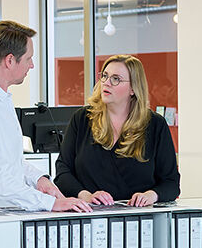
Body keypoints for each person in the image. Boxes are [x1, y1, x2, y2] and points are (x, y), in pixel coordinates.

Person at [0, 20, 90, 213]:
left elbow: (8, 161)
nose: (32, 65)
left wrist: (39, 179)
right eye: (29, 58)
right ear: (10, 60)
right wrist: (48, 203)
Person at [53, 54, 180, 207]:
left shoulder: (155, 124)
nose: (106, 83)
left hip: (139, 215)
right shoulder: (82, 119)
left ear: (133, 88)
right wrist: (86, 196)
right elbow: (63, 172)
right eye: (104, 76)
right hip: (90, 213)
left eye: (116, 79)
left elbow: (171, 182)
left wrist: (151, 195)